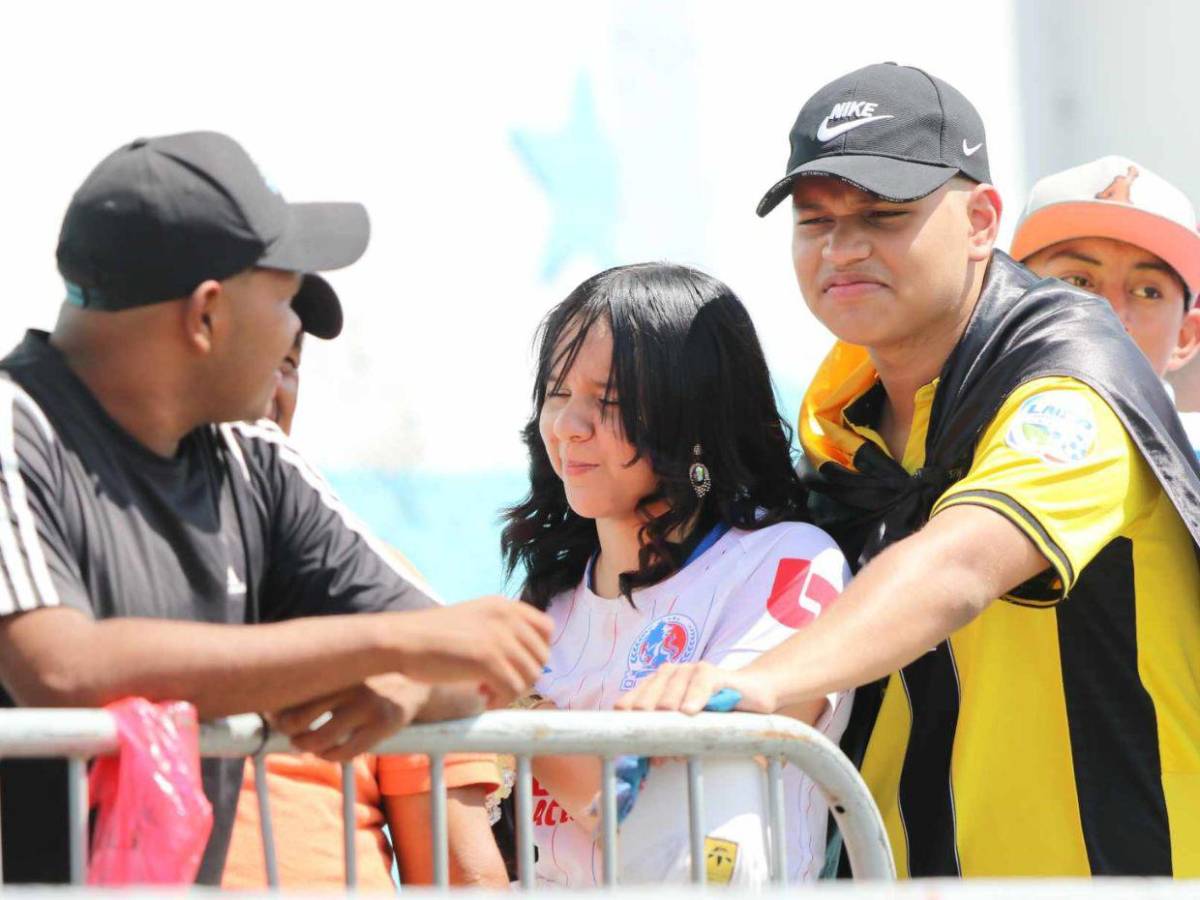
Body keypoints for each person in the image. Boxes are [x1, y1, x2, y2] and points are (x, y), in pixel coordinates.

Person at [618, 64, 1200, 878]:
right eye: (814, 222)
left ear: (981, 221)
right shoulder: (834, 429)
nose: (842, 248)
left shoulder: (1077, 379)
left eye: (884, 215)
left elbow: (960, 563)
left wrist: (753, 682)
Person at [0, 131, 551, 884]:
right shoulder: (13, 429)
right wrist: (385, 648)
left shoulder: (255, 461)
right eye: (290, 298)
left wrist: (405, 683)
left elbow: (463, 660)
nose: (299, 333)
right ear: (204, 317)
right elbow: (61, 669)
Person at [501, 263, 852, 886]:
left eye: (607, 401)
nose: (567, 426)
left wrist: (515, 714)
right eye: (557, 393)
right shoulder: (542, 609)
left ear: (694, 419)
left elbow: (672, 829)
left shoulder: (788, 564)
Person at [223, 330, 509, 890]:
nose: (268, 387)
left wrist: (418, 677)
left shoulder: (371, 581)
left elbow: (464, 875)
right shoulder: (77, 562)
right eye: (243, 350)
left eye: (287, 362)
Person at [1011, 155, 1200, 450]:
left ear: (1185, 337)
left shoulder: (1193, 466)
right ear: (1010, 299)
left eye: (1148, 292)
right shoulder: (944, 439)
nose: (1109, 312)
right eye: (1077, 281)